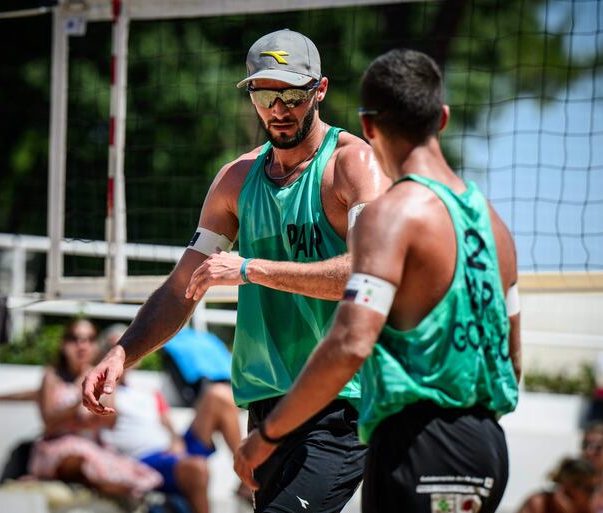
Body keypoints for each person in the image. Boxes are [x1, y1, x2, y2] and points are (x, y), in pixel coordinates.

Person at [82, 29, 388, 512]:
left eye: (292, 93)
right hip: (268, 406)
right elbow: (183, 288)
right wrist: (122, 353)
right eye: (266, 94)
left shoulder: (352, 165)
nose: (279, 107)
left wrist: (251, 269)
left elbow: (368, 275)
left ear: (320, 90)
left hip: (343, 401)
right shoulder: (236, 179)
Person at [234, 49, 522, 513]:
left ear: (368, 126)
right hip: (487, 447)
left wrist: (268, 435)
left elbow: (350, 341)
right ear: (443, 119)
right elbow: (513, 357)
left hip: (419, 441)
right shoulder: (495, 226)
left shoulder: (394, 213)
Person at [98, 325, 242, 513]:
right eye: (116, 345)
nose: (123, 351)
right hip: (143, 460)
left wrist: (175, 442)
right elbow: (108, 419)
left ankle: (248, 472)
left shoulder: (148, 391)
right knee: (196, 468)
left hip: (171, 451)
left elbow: (167, 424)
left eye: (127, 345)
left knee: (219, 396)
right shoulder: (104, 392)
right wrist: (111, 373)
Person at [29, 319, 162, 498]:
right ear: (64, 344)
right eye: (75, 339)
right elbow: (49, 422)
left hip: (91, 447)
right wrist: (82, 404)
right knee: (79, 460)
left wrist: (79, 414)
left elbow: (111, 421)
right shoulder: (51, 376)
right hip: (58, 448)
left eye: (89, 339)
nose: (82, 345)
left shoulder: (100, 375)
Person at [516, 458, 600, 513]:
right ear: (570, 486)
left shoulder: (586, 508)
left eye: (596, 488)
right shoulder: (539, 503)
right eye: (590, 489)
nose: (593, 494)